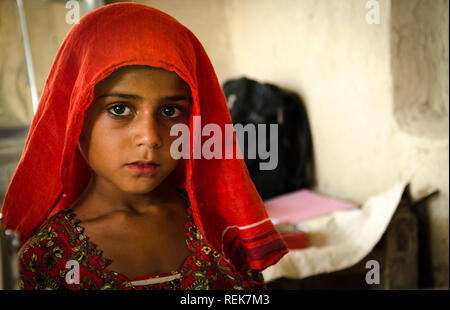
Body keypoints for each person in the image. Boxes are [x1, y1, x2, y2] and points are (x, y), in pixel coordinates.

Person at [1, 3, 287, 290]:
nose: (150, 137)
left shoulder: (219, 230)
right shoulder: (45, 262)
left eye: (170, 111)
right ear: (76, 117)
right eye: (120, 108)